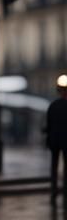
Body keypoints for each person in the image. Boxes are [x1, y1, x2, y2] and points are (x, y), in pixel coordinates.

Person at [44, 75, 67, 203]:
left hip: (55, 141)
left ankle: (54, 190)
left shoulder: (53, 105)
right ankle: (65, 190)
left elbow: (49, 125)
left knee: (54, 166)